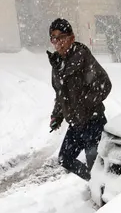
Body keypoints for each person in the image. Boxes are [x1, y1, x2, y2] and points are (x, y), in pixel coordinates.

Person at [47, 19, 112, 181]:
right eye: (54, 38)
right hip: (76, 123)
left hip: (93, 121)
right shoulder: (57, 63)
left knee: (94, 161)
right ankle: (95, 183)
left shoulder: (83, 57)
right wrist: (57, 115)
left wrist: (84, 104)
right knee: (65, 159)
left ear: (72, 38)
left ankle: (106, 195)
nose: (58, 42)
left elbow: (105, 84)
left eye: (62, 37)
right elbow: (61, 93)